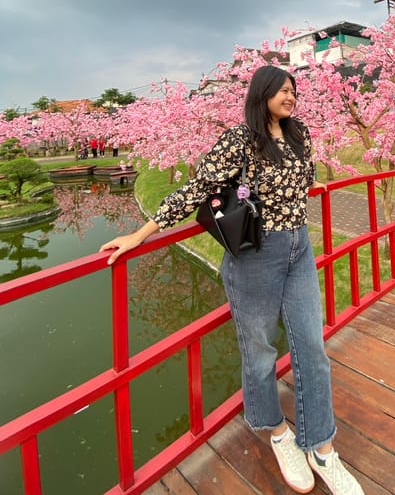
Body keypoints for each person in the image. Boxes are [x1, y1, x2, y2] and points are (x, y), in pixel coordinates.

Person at [100, 65, 364, 495]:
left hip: (299, 249)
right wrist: (140, 233)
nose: (290, 95)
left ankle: (321, 446)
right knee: (259, 352)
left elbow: (304, 182)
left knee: (312, 349)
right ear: (260, 95)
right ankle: (278, 433)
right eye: (281, 90)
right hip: (255, 257)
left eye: (293, 90)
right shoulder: (240, 140)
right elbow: (196, 188)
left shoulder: (299, 135)